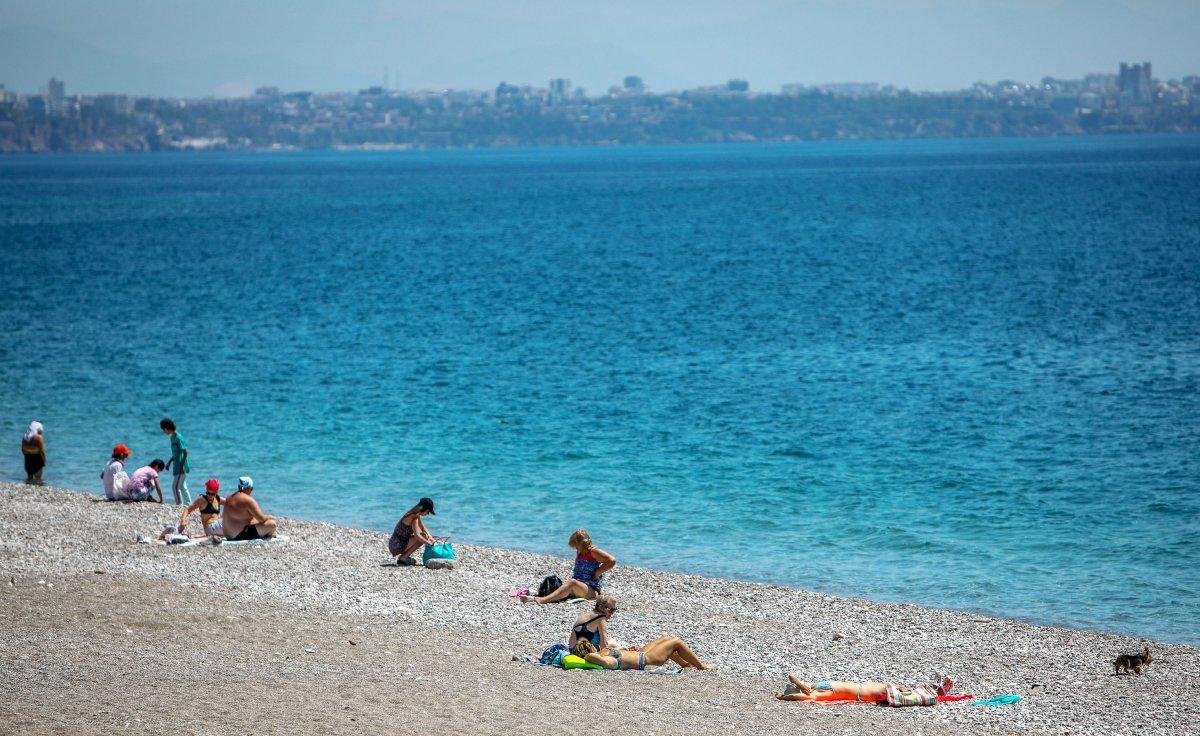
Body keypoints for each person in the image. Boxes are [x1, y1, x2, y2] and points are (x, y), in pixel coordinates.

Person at [521, 529, 615, 604]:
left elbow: (612, 561)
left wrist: (598, 572)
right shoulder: (580, 551)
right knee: (552, 581)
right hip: (581, 586)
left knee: (572, 583)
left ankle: (542, 600)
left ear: (582, 544)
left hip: (592, 590)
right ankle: (537, 597)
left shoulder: (594, 552)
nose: (575, 548)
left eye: (576, 546)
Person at [776, 674, 953, 703]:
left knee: (900, 692)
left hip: (857, 692)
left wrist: (783, 698)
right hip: (838, 684)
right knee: (900, 691)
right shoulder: (816, 690)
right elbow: (800, 696)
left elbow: (803, 696)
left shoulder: (815, 694)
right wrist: (783, 697)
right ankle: (934, 689)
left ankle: (934, 690)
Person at [584, 637, 714, 671]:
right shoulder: (603, 660)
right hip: (646, 659)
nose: (592, 645)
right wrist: (586, 655)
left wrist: (626, 650)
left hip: (640, 654)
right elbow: (590, 657)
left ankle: (686, 665)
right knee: (676, 642)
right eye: (589, 646)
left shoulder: (602, 653)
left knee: (665, 639)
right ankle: (701, 666)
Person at [220, 476, 277, 541]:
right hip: (238, 536)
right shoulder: (248, 500)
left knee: (254, 519)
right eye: (252, 488)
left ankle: (265, 533)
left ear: (239, 487)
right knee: (272, 524)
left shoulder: (229, 497)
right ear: (250, 488)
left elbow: (248, 518)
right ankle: (267, 535)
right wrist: (270, 517)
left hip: (228, 535)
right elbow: (262, 519)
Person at [388, 497, 436, 565]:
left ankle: (403, 557)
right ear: (423, 508)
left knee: (425, 535)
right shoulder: (414, 517)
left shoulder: (413, 513)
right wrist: (429, 543)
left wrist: (431, 537)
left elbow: (423, 527)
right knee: (423, 536)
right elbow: (417, 536)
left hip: (394, 543)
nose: (427, 514)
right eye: (428, 512)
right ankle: (404, 557)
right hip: (397, 545)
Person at [160, 418, 190, 505]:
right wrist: (169, 462)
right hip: (176, 465)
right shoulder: (172, 437)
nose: (163, 431)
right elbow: (175, 453)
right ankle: (188, 504)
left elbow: (186, 452)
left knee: (175, 487)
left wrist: (182, 467)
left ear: (167, 428)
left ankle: (178, 505)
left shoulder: (178, 438)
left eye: (163, 429)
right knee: (182, 487)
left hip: (181, 466)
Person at [20, 421, 46, 485]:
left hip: (28, 461)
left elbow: (23, 450)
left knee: (29, 478)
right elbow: (42, 451)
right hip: (37, 462)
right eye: (39, 430)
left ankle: (29, 486)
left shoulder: (25, 437)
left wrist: (27, 456)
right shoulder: (38, 437)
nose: (41, 432)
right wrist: (44, 461)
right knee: (38, 480)